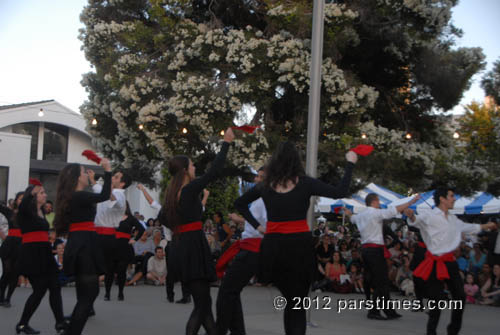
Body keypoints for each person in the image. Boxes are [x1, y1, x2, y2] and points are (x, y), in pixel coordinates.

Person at [234, 142, 357, 335]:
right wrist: (350, 164)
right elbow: (340, 192)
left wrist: (258, 227)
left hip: (274, 247)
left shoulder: (265, 186)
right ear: (296, 161)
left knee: (290, 301)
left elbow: (239, 203)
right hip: (298, 247)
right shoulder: (305, 183)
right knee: (296, 303)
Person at [161, 127, 234, 335]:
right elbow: (215, 171)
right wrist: (226, 142)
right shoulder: (189, 190)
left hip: (182, 246)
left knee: (204, 304)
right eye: (192, 165)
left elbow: (163, 219)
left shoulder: (172, 194)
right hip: (192, 247)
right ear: (185, 170)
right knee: (202, 306)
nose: (195, 168)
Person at [405, 187, 497, 335]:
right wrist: (411, 215)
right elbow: (416, 220)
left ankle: (453, 331)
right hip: (435, 262)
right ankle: (431, 332)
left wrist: (487, 226)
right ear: (442, 199)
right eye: (452, 196)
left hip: (450, 262)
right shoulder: (430, 215)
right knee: (436, 301)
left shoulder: (453, 219)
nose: (454, 199)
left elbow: (469, 227)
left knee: (459, 296)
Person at [54, 157, 112, 335]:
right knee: (89, 294)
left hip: (79, 241)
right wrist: (107, 170)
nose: (87, 174)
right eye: (83, 172)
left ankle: (70, 330)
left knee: (84, 294)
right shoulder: (80, 196)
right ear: (77, 177)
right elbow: (104, 196)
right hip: (85, 243)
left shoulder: (72, 196)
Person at [344, 193, 420, 320]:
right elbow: (395, 210)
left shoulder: (361, 215)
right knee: (381, 281)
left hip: (366, 250)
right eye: (378, 201)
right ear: (374, 201)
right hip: (375, 250)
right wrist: (411, 201)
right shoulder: (375, 213)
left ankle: (388, 311)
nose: (379, 203)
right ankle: (374, 311)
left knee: (374, 280)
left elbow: (352, 218)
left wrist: (347, 212)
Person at [215, 166, 267, 335]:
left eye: (261, 177)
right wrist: (243, 222)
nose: (257, 180)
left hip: (253, 249)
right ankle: (237, 330)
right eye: (257, 176)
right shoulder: (260, 199)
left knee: (227, 291)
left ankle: (221, 329)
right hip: (250, 247)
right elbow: (258, 224)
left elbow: (264, 227)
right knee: (232, 290)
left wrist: (242, 221)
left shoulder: (265, 200)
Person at [16, 184, 65, 334]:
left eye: (44, 192)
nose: (45, 195)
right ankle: (23, 324)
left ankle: (60, 323)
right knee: (39, 291)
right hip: (32, 254)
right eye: (41, 192)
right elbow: (24, 203)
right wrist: (32, 191)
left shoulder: (42, 211)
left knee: (55, 286)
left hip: (44, 253)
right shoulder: (25, 211)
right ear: (33, 195)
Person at [137, 183, 191, 303]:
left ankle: (185, 295)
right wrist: (143, 189)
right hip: (172, 243)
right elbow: (151, 202)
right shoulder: (164, 210)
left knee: (183, 270)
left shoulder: (182, 210)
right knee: (172, 271)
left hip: (181, 242)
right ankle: (171, 295)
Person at [89, 169, 131, 301]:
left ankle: (107, 294)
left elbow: (115, 202)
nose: (113, 178)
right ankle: (91, 299)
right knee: (95, 269)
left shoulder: (120, 194)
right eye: (113, 176)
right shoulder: (109, 191)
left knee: (105, 268)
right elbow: (99, 191)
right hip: (98, 234)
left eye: (116, 177)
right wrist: (92, 179)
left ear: (122, 183)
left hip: (107, 236)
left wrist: (108, 187)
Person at [112, 201, 144, 300]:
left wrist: (134, 239)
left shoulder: (131, 219)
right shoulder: (113, 216)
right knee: (110, 270)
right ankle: (107, 292)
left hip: (125, 247)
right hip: (112, 246)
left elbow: (141, 229)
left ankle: (120, 292)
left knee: (122, 270)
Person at [0, 191, 24, 307]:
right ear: (16, 201)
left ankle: (8, 298)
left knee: (15, 273)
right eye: (20, 199)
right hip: (9, 245)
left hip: (22, 245)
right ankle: (1, 296)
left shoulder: (30, 215)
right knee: (7, 272)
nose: (22, 201)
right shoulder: (10, 212)